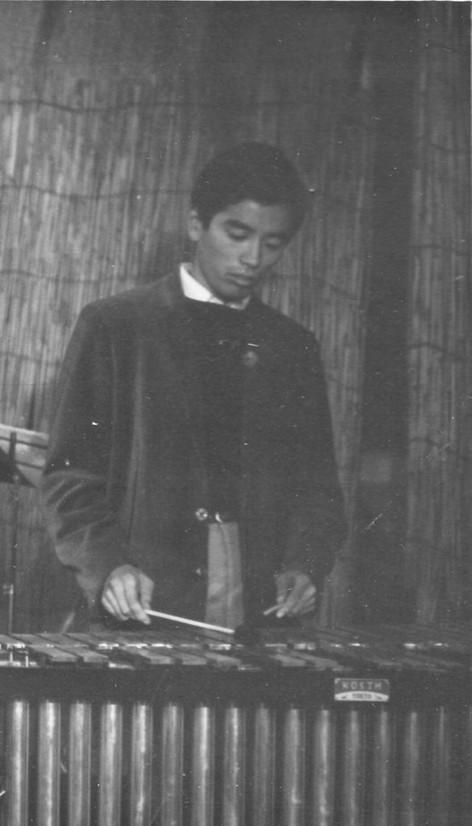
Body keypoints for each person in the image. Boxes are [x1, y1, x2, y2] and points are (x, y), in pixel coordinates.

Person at [40, 143, 347, 629]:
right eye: (237, 234)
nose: (253, 258)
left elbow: (317, 487)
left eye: (273, 243)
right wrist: (108, 567)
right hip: (148, 600)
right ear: (195, 225)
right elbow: (69, 476)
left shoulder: (293, 346)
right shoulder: (116, 326)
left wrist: (305, 564)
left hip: (259, 607)